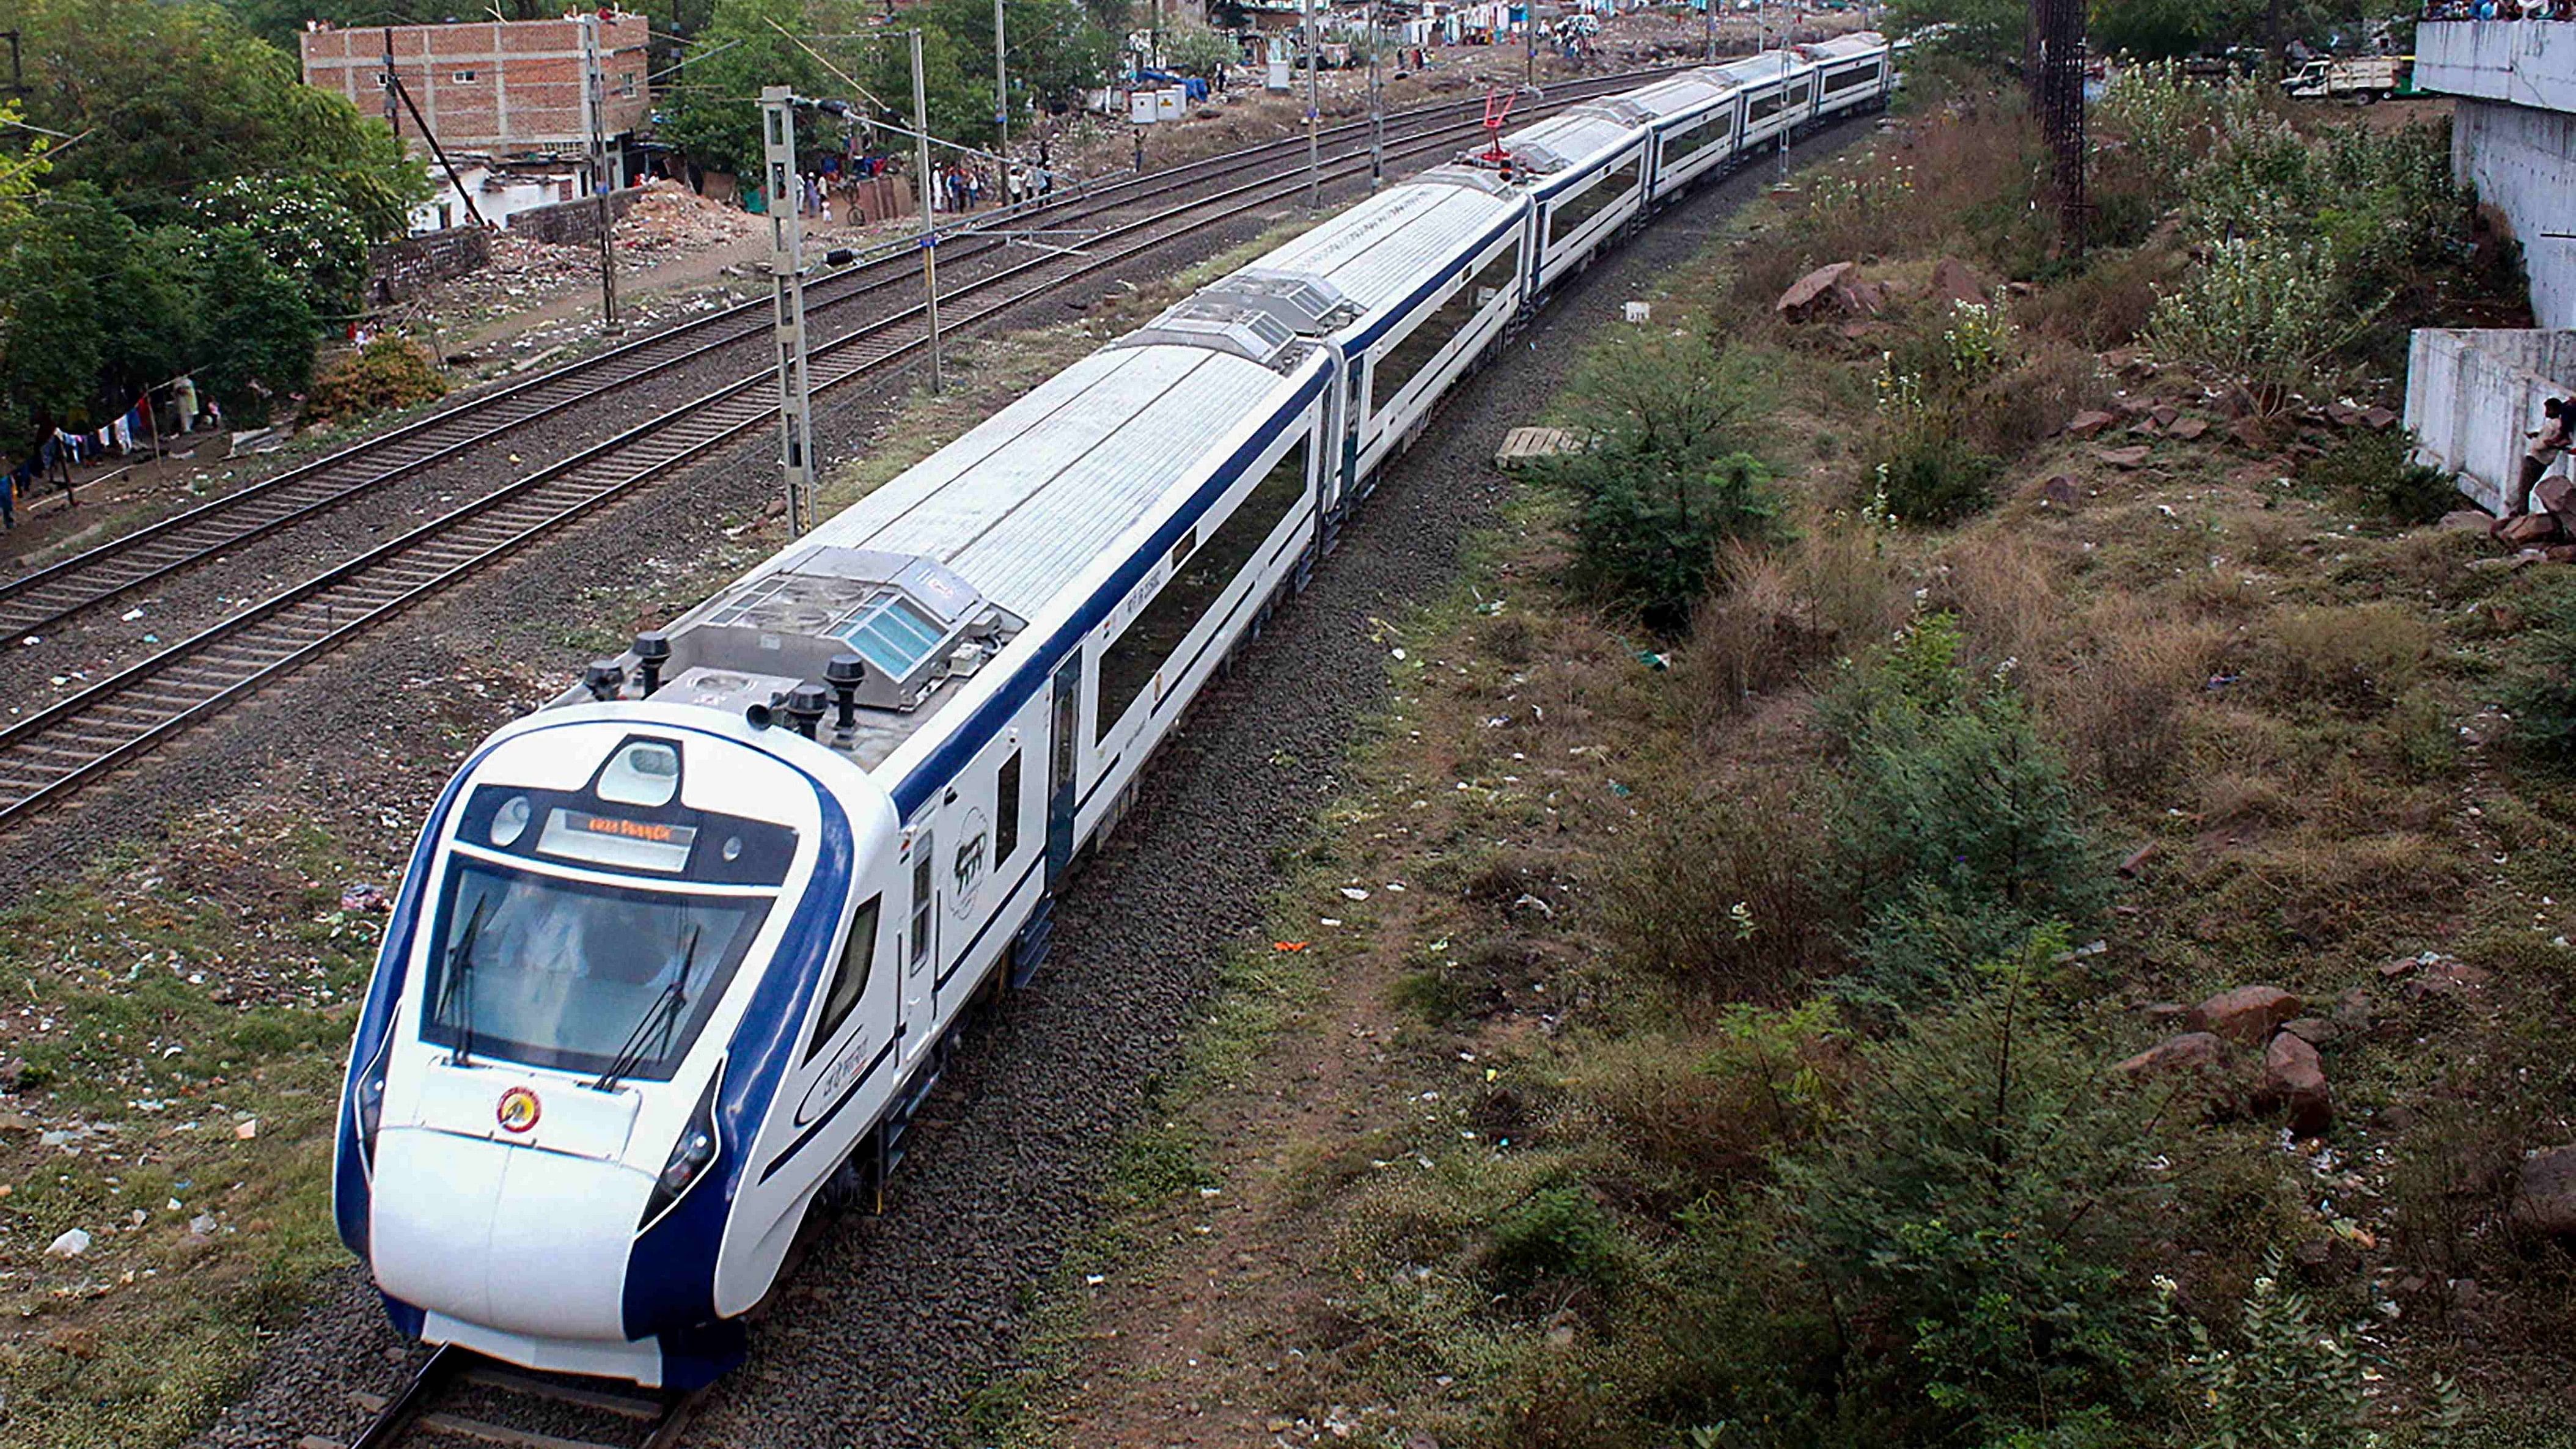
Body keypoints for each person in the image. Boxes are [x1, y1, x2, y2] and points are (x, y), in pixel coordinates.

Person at [2503, 395, 2574, 534]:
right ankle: (2520, 511)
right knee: (2525, 487)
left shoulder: (2555, 425)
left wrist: (2546, 443)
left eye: (2548, 409)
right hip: (2541, 460)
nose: (2546, 412)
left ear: (2554, 409)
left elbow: (2551, 443)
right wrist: (2537, 435)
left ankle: (2521, 513)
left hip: (2536, 459)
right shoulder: (2557, 424)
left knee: (2524, 487)